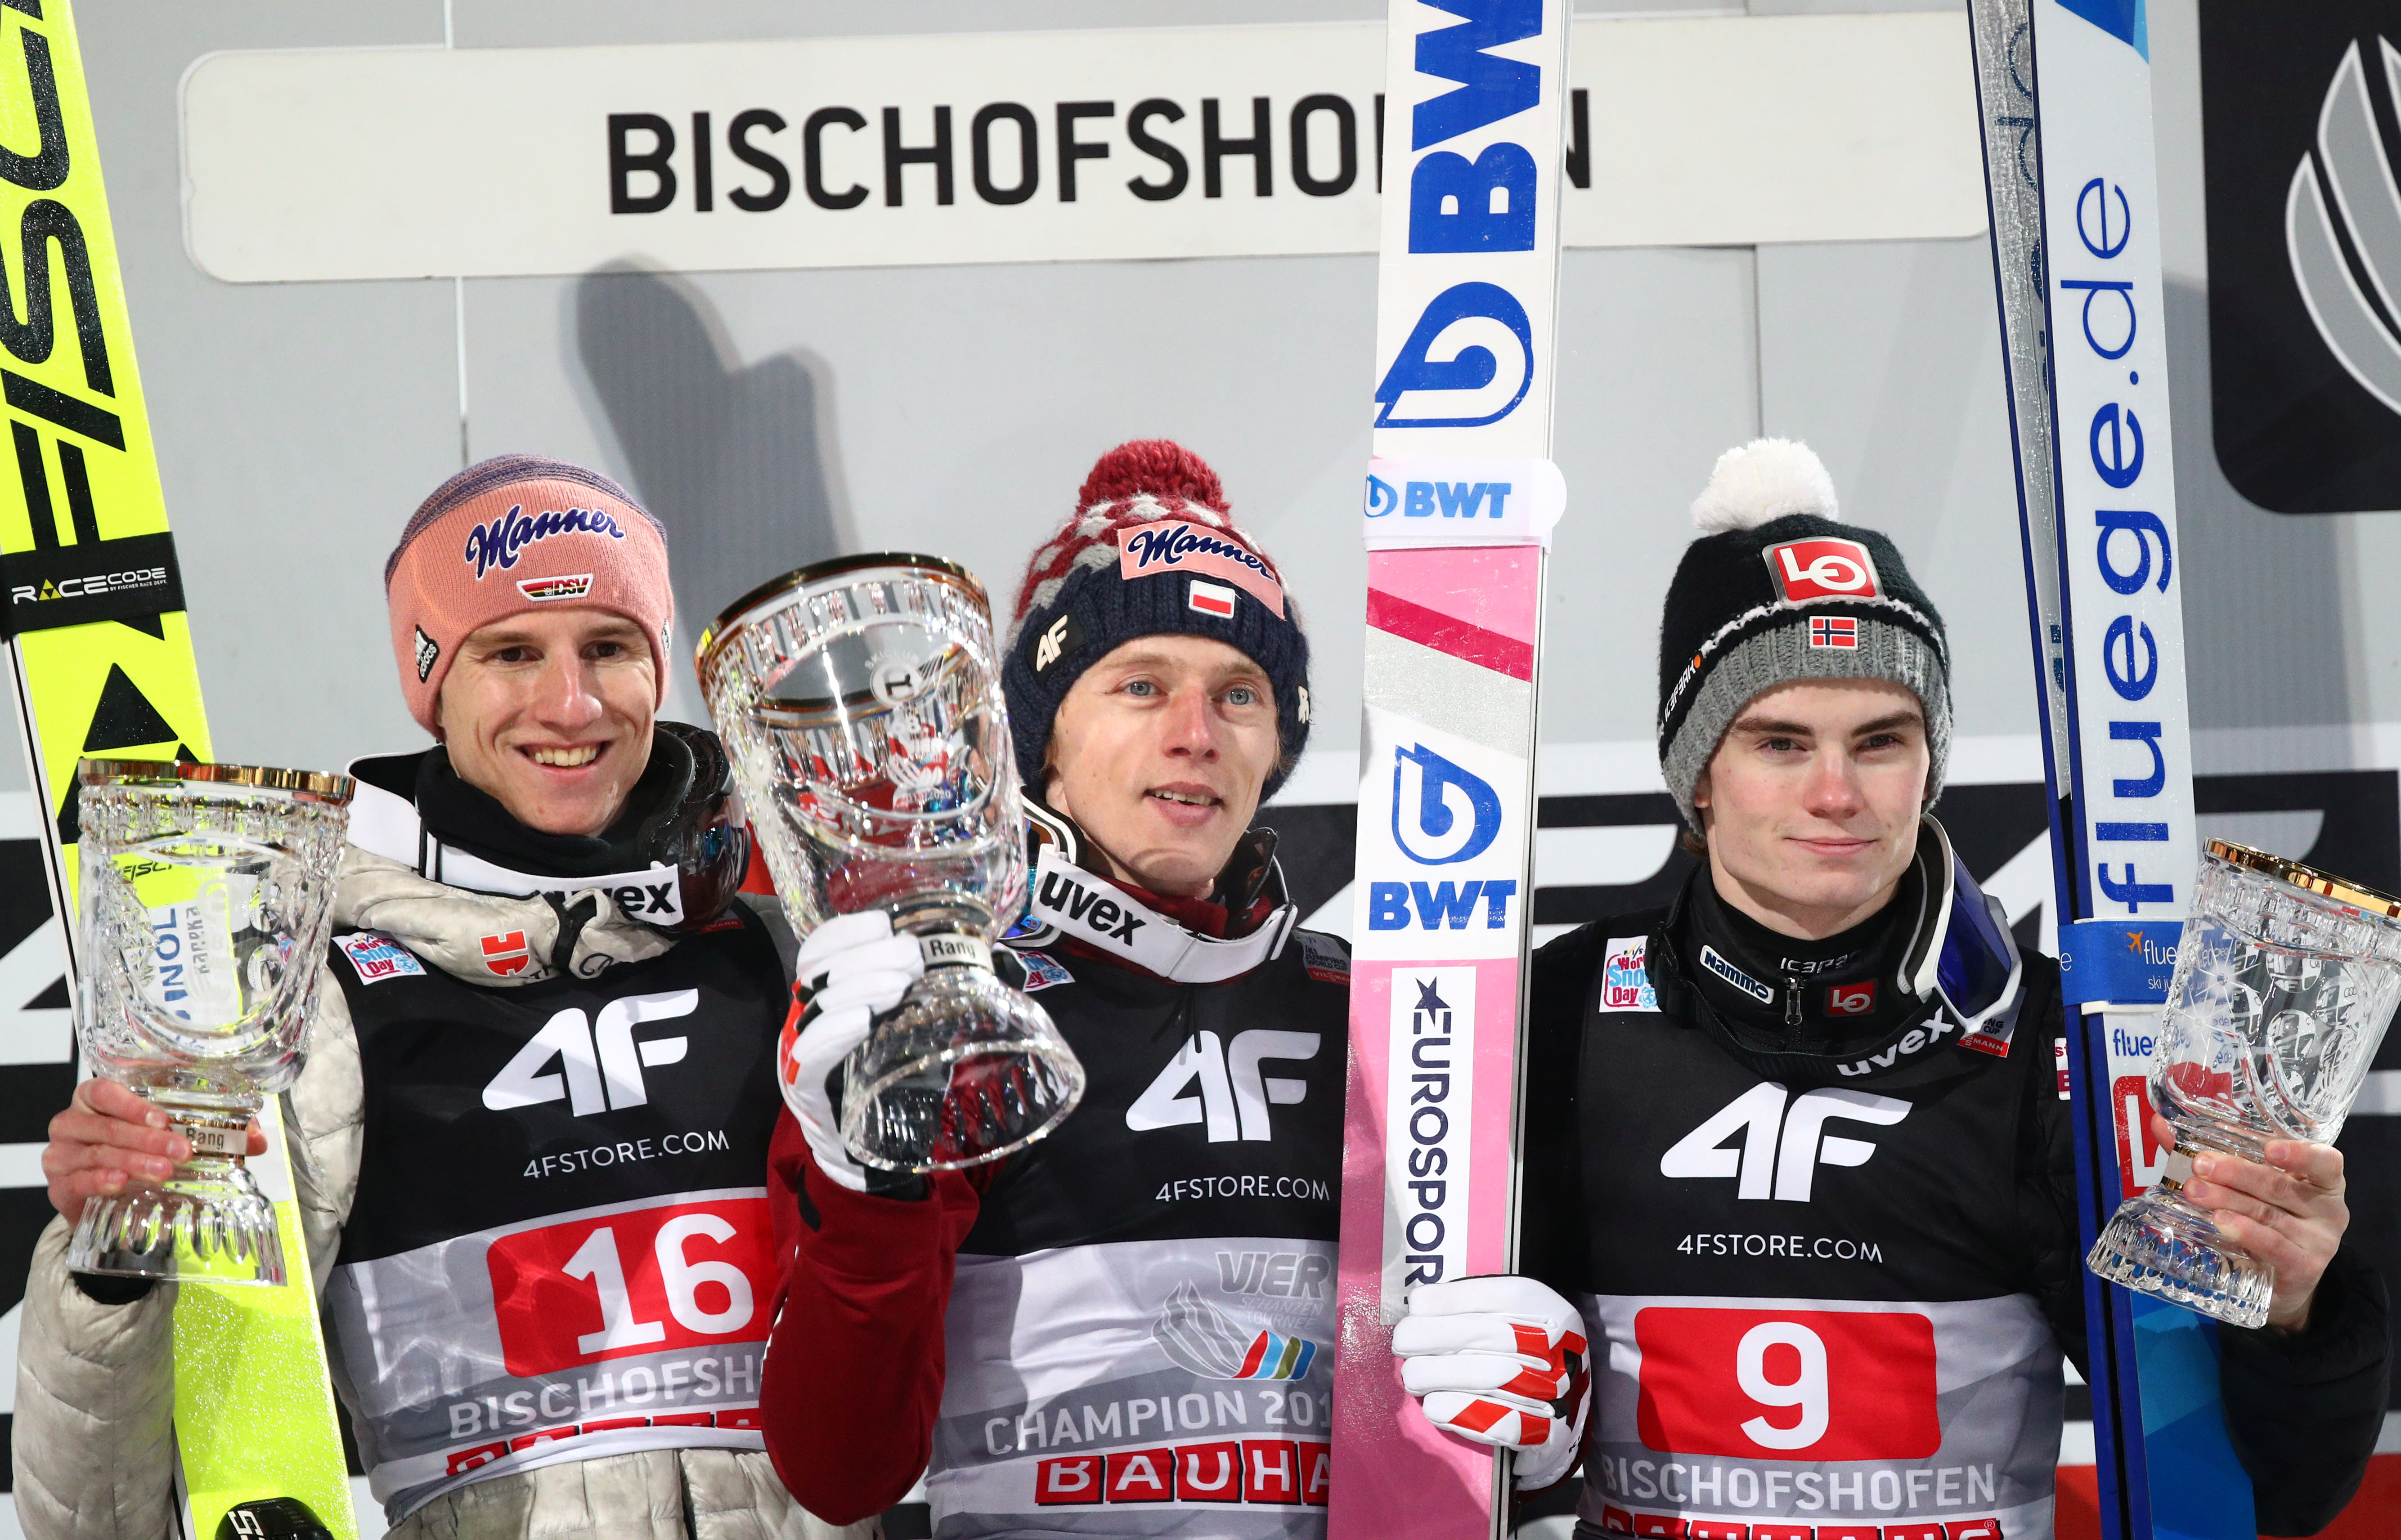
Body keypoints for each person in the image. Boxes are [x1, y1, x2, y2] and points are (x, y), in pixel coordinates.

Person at [1391, 440, 2392, 1539]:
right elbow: (1413, 1400)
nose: (1835, 793)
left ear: (1929, 762)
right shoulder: (1555, 1013)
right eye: (1779, 742)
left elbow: (2263, 1490)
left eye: (1880, 741)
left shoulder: (2055, 1043)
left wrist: (2290, 1312)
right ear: (1697, 776)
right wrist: (1520, 1438)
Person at [17, 456, 873, 1540]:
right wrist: (111, 1264)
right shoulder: (311, 997)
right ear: (432, 678)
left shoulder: (789, 947)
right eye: (511, 652)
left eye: (609, 647)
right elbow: (96, 1514)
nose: (570, 703)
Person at [758, 441, 1347, 1535]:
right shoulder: (949, 1009)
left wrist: (1538, 1416)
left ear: (1276, 743)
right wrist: (865, 1184)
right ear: (1044, 744)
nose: (1194, 734)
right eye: (1140, 686)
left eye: (1238, 693)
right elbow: (839, 1473)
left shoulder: (1369, 1010)